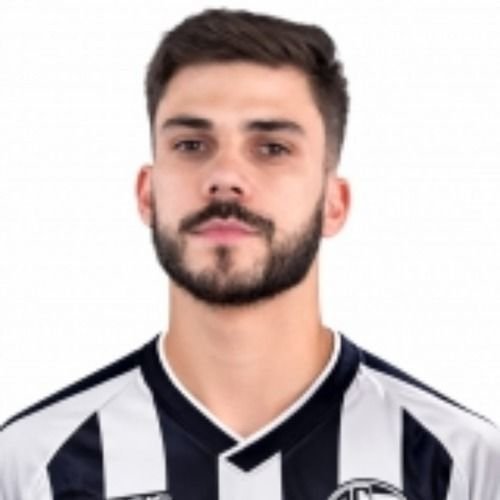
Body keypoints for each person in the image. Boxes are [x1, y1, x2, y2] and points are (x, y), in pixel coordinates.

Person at [0, 8, 499, 500]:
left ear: (334, 203)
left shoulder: (462, 465)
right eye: (191, 144)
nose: (225, 177)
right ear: (147, 195)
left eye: (272, 148)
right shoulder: (32, 466)